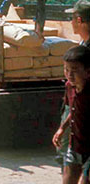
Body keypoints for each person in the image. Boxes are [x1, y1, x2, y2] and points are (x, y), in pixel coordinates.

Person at [52, 45, 90, 184]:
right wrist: (62, 129)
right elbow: (74, 110)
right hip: (75, 146)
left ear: (88, 71)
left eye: (74, 70)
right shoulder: (69, 86)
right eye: (66, 70)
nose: (69, 74)